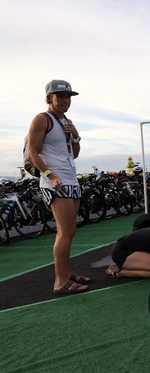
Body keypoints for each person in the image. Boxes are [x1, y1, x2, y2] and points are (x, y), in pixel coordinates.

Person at [27, 79, 88, 295]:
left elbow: (76, 153)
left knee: (70, 231)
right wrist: (50, 175)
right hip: (56, 182)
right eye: (61, 96)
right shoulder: (42, 119)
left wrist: (76, 135)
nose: (66, 101)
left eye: (69, 97)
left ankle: (67, 273)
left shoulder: (66, 122)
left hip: (70, 179)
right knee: (65, 231)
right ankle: (60, 282)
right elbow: (33, 152)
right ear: (49, 98)